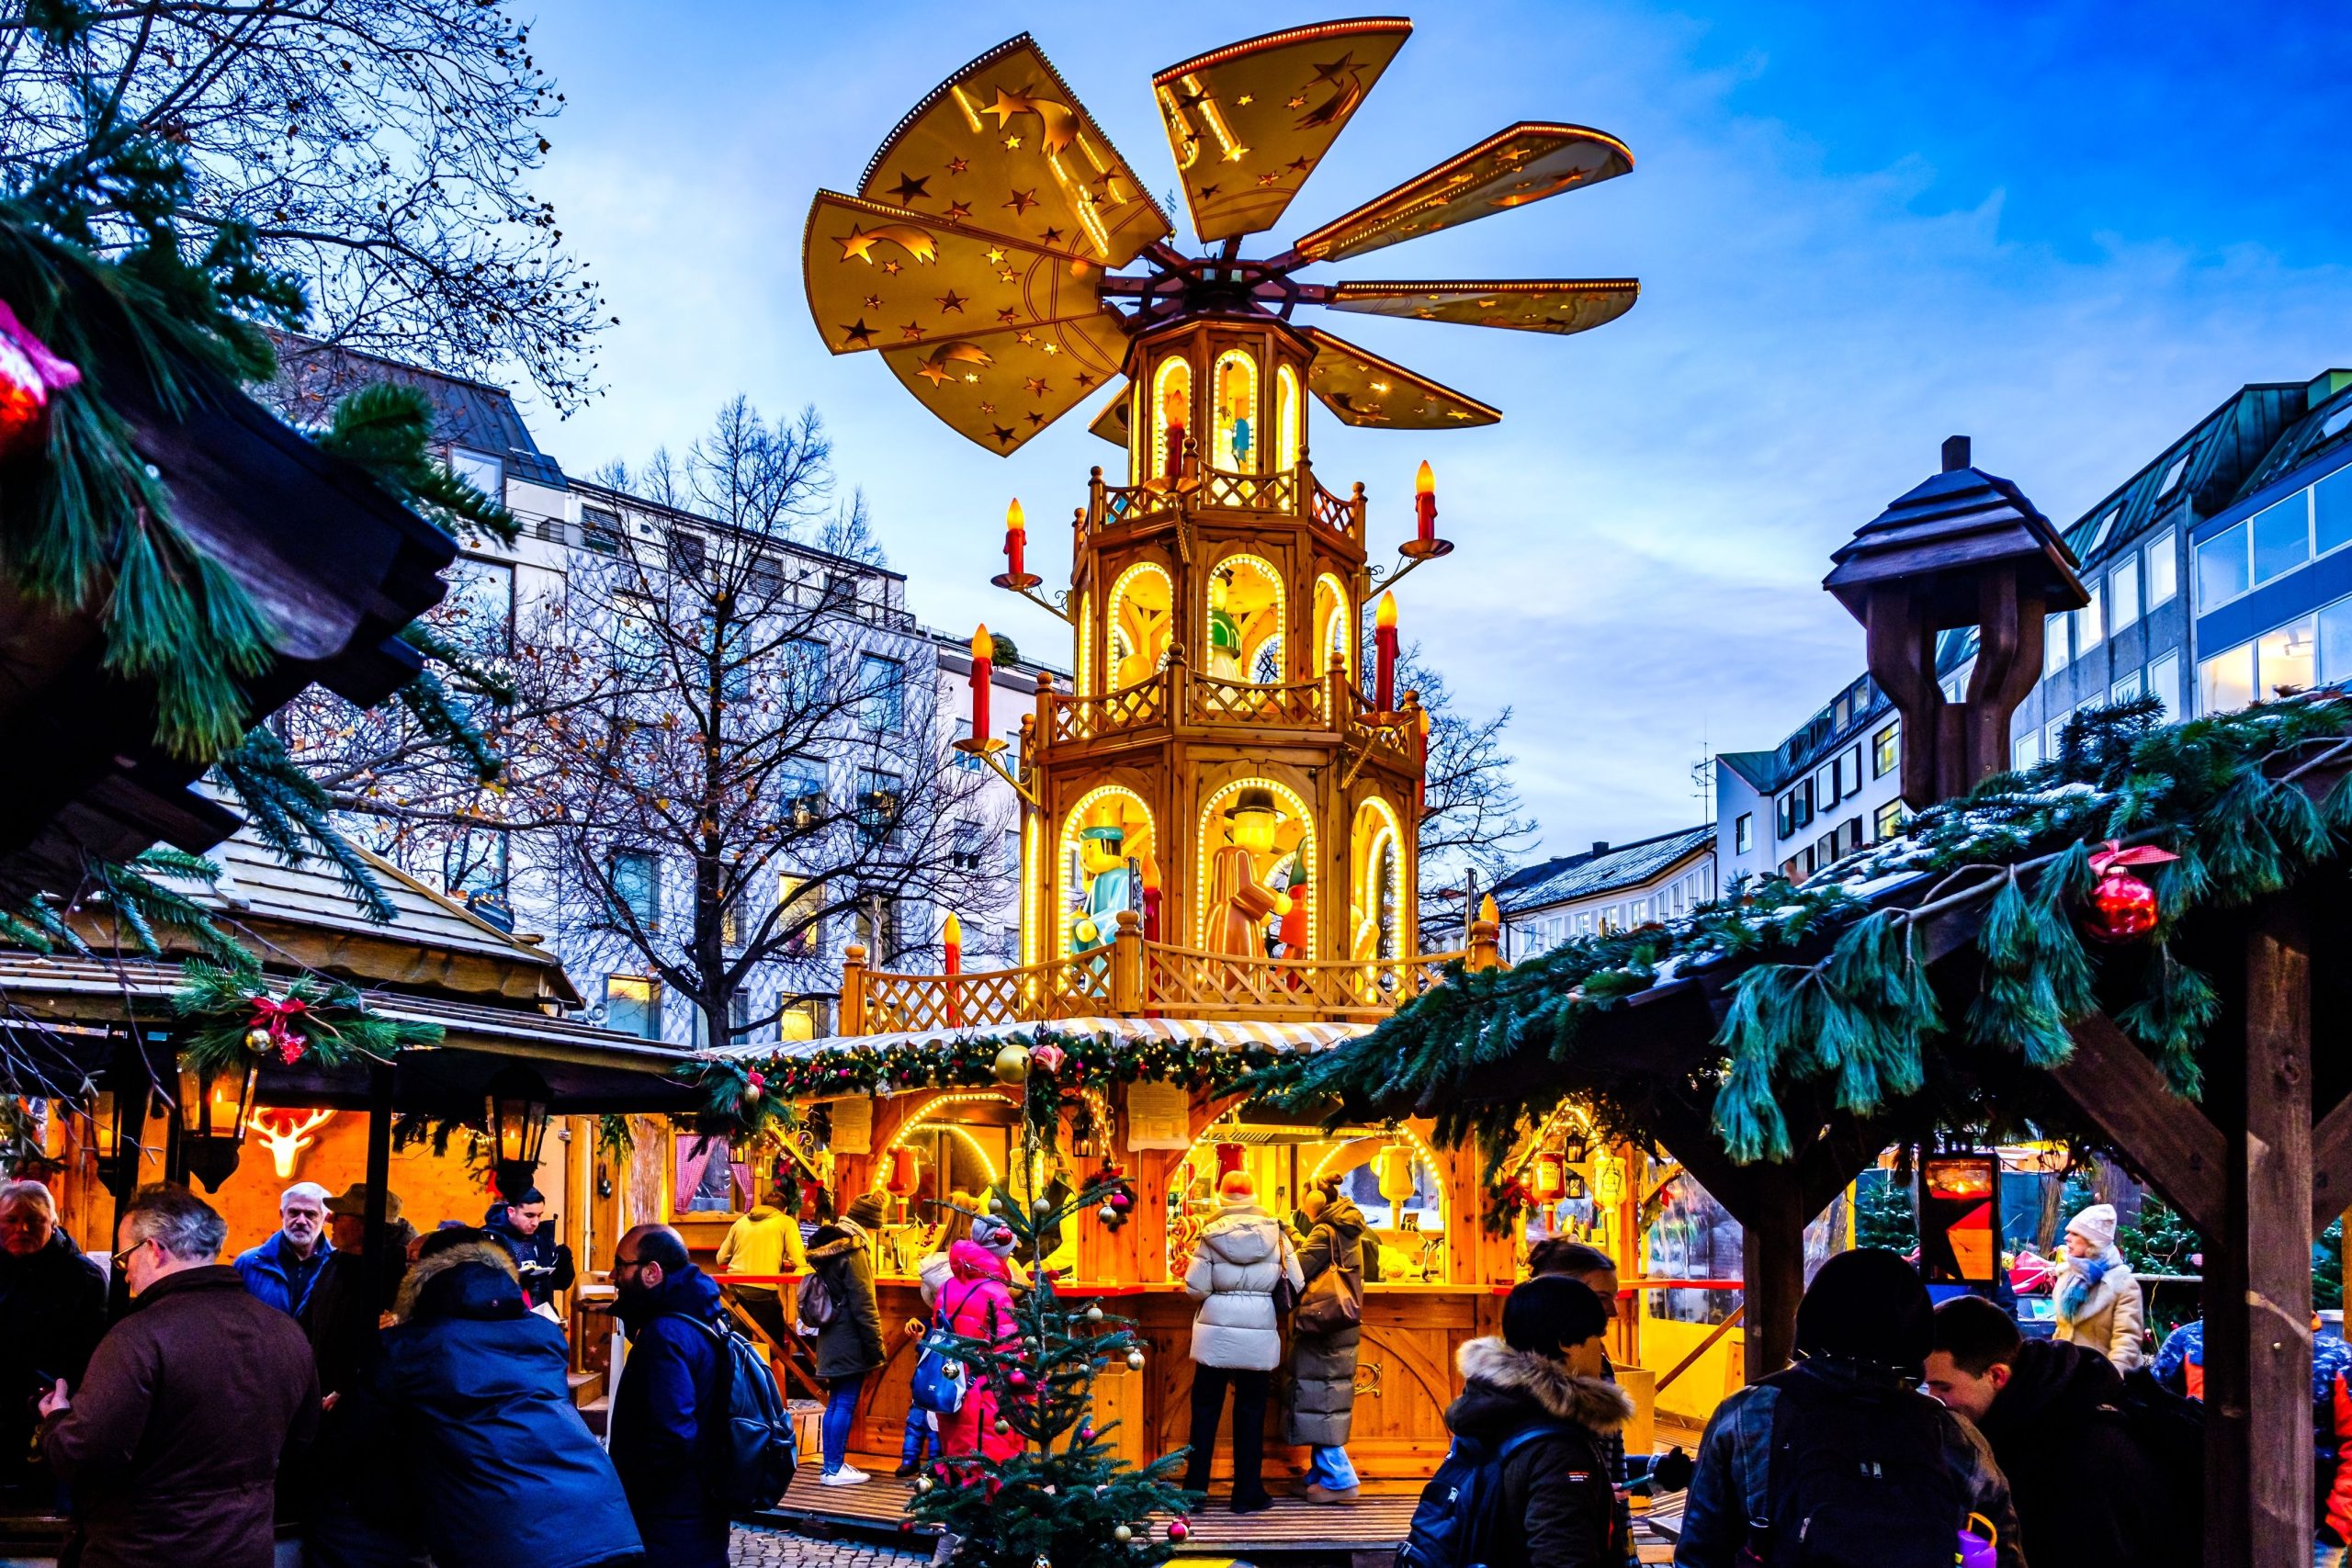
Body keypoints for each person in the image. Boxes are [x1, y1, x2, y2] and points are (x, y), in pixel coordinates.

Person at [1676, 1247, 2023, 1568]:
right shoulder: (1952, 1433)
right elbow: (2003, 1552)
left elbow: (1699, 1551)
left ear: (1811, 1319)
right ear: (1917, 1333)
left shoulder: (1748, 1415)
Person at [39, 1183, 318, 1567]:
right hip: (244, 1550)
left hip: (143, 1553)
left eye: (124, 1259)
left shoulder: (138, 1337)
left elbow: (86, 1455)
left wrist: (55, 1419)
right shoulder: (286, 1332)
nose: (124, 1275)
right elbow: (300, 1440)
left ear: (153, 1250)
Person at [366, 1227, 641, 1568]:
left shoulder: (408, 1347)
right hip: (602, 1524)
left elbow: (355, 1438)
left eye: (410, 1264)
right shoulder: (543, 1335)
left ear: (423, 1276)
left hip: (510, 1541)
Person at [1925, 1294, 2188, 1564]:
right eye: (1926, 1386)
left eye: (1944, 1387)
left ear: (1996, 1376)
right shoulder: (2027, 1416)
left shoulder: (2080, 1455)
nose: (1933, 1400)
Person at [1430, 1275, 1633, 1568]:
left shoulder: (1491, 1411)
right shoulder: (1558, 1447)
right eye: (1597, 1336)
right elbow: (1563, 1558)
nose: (1601, 1351)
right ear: (1566, 1342)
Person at [2156, 1314, 2352, 1563]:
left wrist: (2336, 1529)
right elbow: (2155, 1426)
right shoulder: (2188, 1343)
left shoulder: (2337, 1357)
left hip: (2310, 1534)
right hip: (2202, 1526)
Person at [1181, 1168, 1303, 1514]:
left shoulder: (1208, 1235)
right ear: (1253, 1197)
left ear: (1221, 1197)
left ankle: (1195, 1494)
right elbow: (1296, 1280)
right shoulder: (1277, 1235)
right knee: (1250, 1413)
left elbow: (1195, 1288)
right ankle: (1247, 1494)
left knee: (1205, 1412)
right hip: (1258, 1334)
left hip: (1214, 1334)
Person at [610, 1223, 730, 1567]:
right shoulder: (703, 1314)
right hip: (699, 1505)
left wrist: (639, 1490)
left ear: (651, 1273)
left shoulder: (665, 1335)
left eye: (621, 1264)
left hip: (672, 1513)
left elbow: (673, 1434)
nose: (614, 1275)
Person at [1528, 1237, 1635, 1563]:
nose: (1614, 1311)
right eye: (1603, 1298)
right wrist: (1595, 1490)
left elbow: (1600, 1459)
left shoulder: (1595, 1363)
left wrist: (1654, 1470)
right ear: (1563, 1296)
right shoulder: (1537, 1385)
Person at [0, 1179, 106, 1503]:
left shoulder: (82, 1277)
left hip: (51, 1402)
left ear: (54, 1222)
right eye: (11, 1220)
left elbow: (91, 1348)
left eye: (34, 1220)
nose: (22, 1228)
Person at [1288, 1178, 1367, 1504]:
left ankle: (1340, 1478)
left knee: (1321, 1400)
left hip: (1323, 1326)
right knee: (1323, 1398)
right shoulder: (1346, 1227)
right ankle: (1320, 1474)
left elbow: (1298, 1267)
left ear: (1315, 1200)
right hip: (1338, 1326)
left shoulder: (1325, 1231)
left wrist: (1289, 1234)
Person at [300, 1182, 413, 1403]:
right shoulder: (334, 1264)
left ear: (364, 1225)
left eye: (340, 1215)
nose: (330, 1220)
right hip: (319, 1394)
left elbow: (393, 1350)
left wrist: (348, 1390)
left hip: (366, 1404)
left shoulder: (401, 1276)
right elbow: (308, 1325)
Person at [804, 1191, 887, 1485]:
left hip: (831, 1335)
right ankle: (834, 1468)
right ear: (868, 1223)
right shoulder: (854, 1250)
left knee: (837, 1400)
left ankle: (832, 1465)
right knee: (845, 1401)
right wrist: (876, 1347)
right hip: (849, 1337)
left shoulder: (831, 1245)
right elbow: (864, 1303)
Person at [934, 1216, 1022, 1481]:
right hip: (987, 1388)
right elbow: (1009, 1350)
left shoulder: (947, 1287)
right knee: (988, 1453)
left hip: (952, 1383)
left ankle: (956, 1512)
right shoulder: (996, 1292)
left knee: (957, 1450)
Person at [901, 1196, 978, 1475]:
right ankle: (941, 1461)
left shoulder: (932, 1265)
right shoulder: (982, 1263)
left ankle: (910, 1458)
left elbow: (928, 1299)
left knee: (927, 1395)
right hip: (970, 1340)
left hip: (936, 1335)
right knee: (956, 1402)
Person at [2052, 1201, 2146, 1370]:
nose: (2067, 1238)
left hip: (2103, 1381)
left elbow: (2126, 1343)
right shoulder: (2067, 1276)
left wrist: (2110, 1386)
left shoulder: (2123, 1284)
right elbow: (2061, 1331)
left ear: (2092, 1241)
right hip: (2067, 1380)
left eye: (2075, 1233)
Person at [718, 1183, 808, 1351]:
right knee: (774, 1347)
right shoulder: (785, 1222)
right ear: (785, 1209)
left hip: (733, 1291)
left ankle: (746, 1376)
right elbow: (800, 1260)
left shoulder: (741, 1222)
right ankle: (772, 1376)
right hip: (763, 1290)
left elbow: (720, 1258)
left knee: (739, 1344)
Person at [233, 1179, 333, 1317]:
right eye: (294, 1213)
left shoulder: (337, 1265)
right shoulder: (249, 1263)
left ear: (326, 1219)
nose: (301, 1221)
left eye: (310, 1214)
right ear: (282, 1214)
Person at [484, 1186, 578, 1314]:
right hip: (507, 1321)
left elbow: (560, 1284)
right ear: (511, 1212)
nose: (536, 1222)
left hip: (543, 1319)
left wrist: (565, 1263)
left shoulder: (541, 1237)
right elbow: (485, 1289)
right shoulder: (489, 1239)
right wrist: (518, 1281)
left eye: (539, 1215)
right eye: (529, 1215)